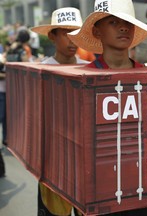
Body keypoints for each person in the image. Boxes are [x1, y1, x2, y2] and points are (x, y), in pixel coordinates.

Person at [68, 0, 147, 215]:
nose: (123, 27)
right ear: (97, 31)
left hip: (141, 190)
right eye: (113, 22)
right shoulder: (80, 80)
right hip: (97, 191)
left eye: (128, 23)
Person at [31, 7, 88, 216]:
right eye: (65, 33)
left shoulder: (90, 70)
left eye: (76, 33)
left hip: (83, 161)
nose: (72, 40)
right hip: (53, 162)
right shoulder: (40, 71)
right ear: (52, 36)